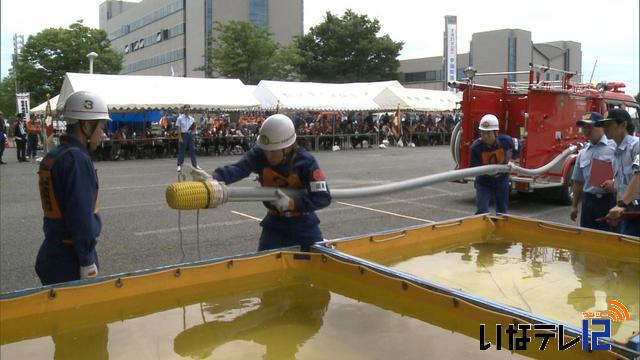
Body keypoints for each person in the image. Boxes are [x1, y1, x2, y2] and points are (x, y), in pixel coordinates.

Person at [199, 114, 331, 251]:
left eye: (273, 152)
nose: (268, 156)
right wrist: (213, 178)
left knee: (318, 261)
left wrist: (292, 204)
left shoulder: (306, 162)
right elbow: (239, 168)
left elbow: (323, 197)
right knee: (264, 262)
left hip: (304, 225)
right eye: (266, 151)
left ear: (289, 147)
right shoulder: (260, 154)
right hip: (275, 225)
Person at [35, 90, 111, 285]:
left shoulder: (55, 154)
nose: (102, 134)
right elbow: (81, 217)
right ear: (86, 125)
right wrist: (86, 261)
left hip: (52, 251)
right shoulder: (77, 160)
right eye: (101, 127)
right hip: (70, 259)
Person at [595, 108, 640, 236]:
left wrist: (621, 205)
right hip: (628, 210)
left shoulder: (636, 146)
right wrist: (618, 212)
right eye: (603, 125)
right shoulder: (617, 152)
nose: (604, 128)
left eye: (608, 124)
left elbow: (638, 176)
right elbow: (621, 186)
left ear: (623, 125)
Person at [569, 112, 617, 231]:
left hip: (610, 200)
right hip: (589, 203)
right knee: (587, 238)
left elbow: (628, 175)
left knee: (609, 240)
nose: (586, 130)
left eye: (590, 127)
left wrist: (614, 183)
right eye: (584, 127)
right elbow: (578, 181)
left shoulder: (615, 148)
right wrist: (574, 206)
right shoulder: (583, 152)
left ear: (601, 127)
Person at [470, 114, 519, 214]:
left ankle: (501, 228)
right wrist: (486, 172)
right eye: (483, 133)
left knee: (502, 211)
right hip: (484, 182)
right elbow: (474, 168)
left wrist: (513, 160)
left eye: (488, 133)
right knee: (481, 210)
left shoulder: (505, 141)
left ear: (496, 133)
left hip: (501, 180)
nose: (485, 136)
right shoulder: (476, 147)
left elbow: (518, 144)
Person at [176, 104, 201, 172]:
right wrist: (180, 137)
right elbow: (178, 128)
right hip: (183, 135)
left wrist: (193, 132)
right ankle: (179, 165)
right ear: (183, 110)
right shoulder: (180, 118)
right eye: (186, 109)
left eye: (188, 109)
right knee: (182, 151)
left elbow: (194, 127)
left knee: (193, 151)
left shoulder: (192, 119)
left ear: (190, 110)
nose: (187, 110)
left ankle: (195, 165)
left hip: (190, 135)